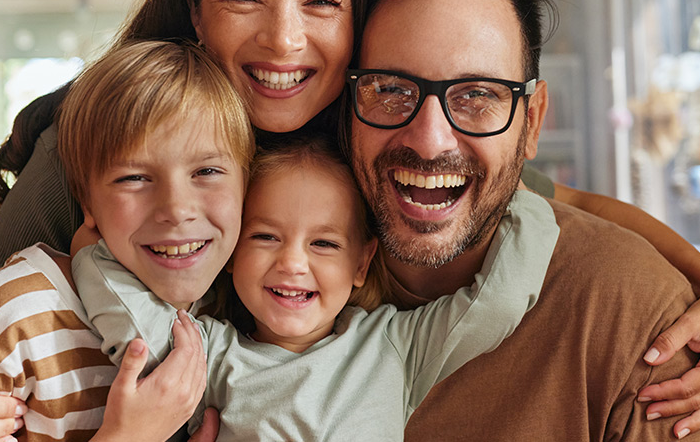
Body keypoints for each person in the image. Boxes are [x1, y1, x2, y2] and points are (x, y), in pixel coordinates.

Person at [0, 0, 700, 439]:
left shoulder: (380, 134)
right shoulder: (109, 140)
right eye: (245, 0)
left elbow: (547, 196)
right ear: (196, 12)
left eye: (321, 2)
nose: (283, 40)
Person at [344, 0, 700, 441]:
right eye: (391, 89)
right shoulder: (273, 271)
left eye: (477, 96)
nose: (429, 140)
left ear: (531, 123)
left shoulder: (635, 318)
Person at [72, 136, 557, 439]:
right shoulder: (208, 353)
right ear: (230, 252)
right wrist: (87, 249)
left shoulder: (396, 345)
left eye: (324, 243)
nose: (292, 262)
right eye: (264, 237)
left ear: (362, 262)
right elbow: (129, 319)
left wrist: (512, 192)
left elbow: (499, 301)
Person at [0, 40, 253, 442]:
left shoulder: (232, 304)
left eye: (207, 171)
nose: (176, 209)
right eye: (134, 178)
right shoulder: (16, 317)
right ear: (87, 201)